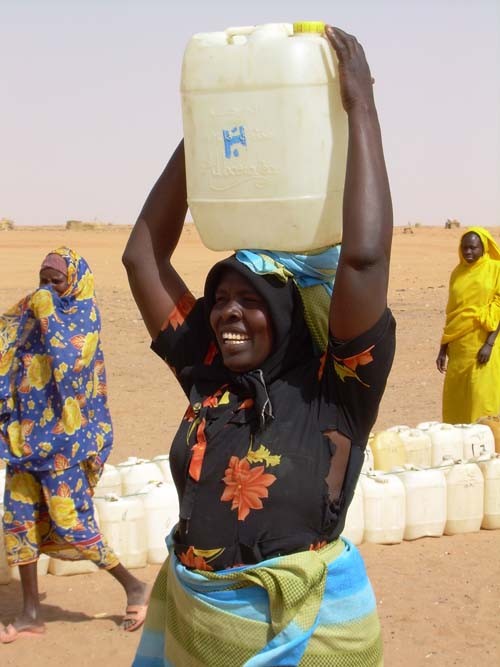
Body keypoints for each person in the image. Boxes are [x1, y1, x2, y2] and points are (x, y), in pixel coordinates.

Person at [123, 25, 395, 667]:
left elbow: (363, 258)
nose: (226, 314)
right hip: (200, 628)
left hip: (307, 640)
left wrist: (361, 106)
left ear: (291, 314)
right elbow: (143, 257)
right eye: (219, 299)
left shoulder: (337, 392)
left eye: (250, 301)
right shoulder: (208, 375)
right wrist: (213, 124)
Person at [0, 246, 149, 644]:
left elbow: (69, 364)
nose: (46, 289)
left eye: (57, 281)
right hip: (25, 439)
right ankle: (30, 612)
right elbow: (8, 346)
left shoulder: (82, 317)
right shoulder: (32, 315)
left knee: (72, 522)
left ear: (75, 282)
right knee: (17, 520)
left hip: (64, 444)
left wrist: (45, 309)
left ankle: (134, 585)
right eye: (43, 281)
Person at [436, 227, 500, 423]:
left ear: (484, 248)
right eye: (464, 248)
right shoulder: (457, 273)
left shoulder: (495, 269)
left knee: (481, 399)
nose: (468, 252)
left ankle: (489, 446)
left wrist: (489, 344)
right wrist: (442, 349)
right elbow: (453, 313)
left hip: (483, 346)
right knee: (457, 400)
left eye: (473, 248)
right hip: (458, 350)